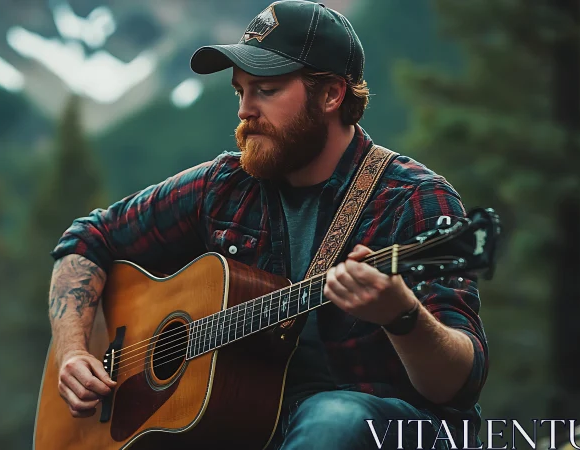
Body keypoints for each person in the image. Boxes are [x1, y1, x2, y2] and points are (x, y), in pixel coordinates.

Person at [47, 1, 489, 448]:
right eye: (240, 91)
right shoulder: (223, 184)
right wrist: (72, 352)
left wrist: (403, 316)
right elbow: (88, 239)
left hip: (387, 428)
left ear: (332, 94)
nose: (244, 110)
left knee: (334, 417)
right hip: (246, 425)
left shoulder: (413, 199)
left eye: (266, 90)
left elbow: (458, 382)